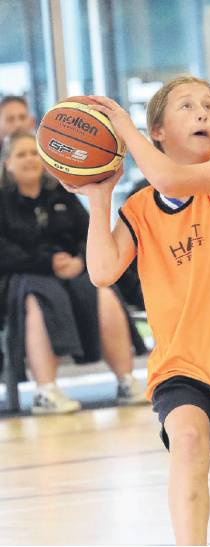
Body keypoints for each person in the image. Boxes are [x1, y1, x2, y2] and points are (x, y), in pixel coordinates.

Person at [59, 75, 210, 546]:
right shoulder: (142, 208)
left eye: (209, 105)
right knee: (187, 441)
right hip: (182, 366)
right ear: (158, 130)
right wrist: (101, 194)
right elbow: (101, 271)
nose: (203, 112)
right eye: (187, 106)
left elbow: (168, 176)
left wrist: (118, 124)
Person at [0, 130, 148, 414]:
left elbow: (88, 231)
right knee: (36, 295)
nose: (30, 159)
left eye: (34, 153)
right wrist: (47, 263)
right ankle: (46, 390)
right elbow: (4, 251)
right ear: (7, 163)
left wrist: (81, 260)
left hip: (72, 269)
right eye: (21, 154)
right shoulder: (3, 201)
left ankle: (126, 380)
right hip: (25, 274)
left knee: (101, 289)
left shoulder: (60, 193)